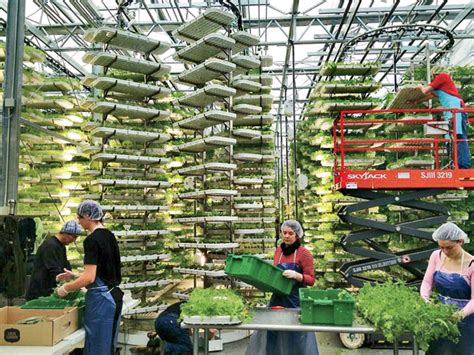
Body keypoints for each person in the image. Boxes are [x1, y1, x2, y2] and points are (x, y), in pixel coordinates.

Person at [56, 200, 123, 355]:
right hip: (113, 295)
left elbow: (89, 279)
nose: (79, 221)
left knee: (97, 348)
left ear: (88, 216)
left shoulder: (91, 240)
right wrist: (75, 276)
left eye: (79, 218)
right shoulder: (109, 235)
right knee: (108, 346)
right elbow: (103, 271)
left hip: (102, 301)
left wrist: (65, 288)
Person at [246, 220, 319, 355]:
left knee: (296, 335)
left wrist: (297, 275)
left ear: (297, 235)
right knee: (272, 331)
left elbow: (311, 280)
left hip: (295, 299)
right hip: (277, 298)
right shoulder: (279, 251)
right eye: (284, 233)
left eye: (290, 233)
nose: (286, 236)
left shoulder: (304, 254)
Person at [420, 222, 474, 354]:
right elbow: (427, 282)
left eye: (449, 248)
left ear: (460, 241)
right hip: (440, 317)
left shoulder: (471, 264)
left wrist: (459, 315)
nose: (445, 251)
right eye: (441, 247)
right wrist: (426, 300)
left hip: (466, 319)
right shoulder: (436, 256)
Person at [419, 68, 470, 169]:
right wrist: (416, 101)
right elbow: (429, 95)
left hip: (456, 111)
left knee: (458, 136)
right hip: (451, 112)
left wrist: (419, 86)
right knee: (451, 138)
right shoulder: (442, 86)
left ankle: (463, 166)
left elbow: (425, 91)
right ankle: (455, 164)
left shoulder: (443, 77)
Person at [26, 220, 82, 300]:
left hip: (49, 291)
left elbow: (65, 266)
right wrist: (66, 286)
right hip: (41, 293)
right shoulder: (50, 246)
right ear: (65, 233)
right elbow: (54, 269)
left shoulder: (61, 246)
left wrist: (72, 278)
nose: (74, 240)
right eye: (74, 237)